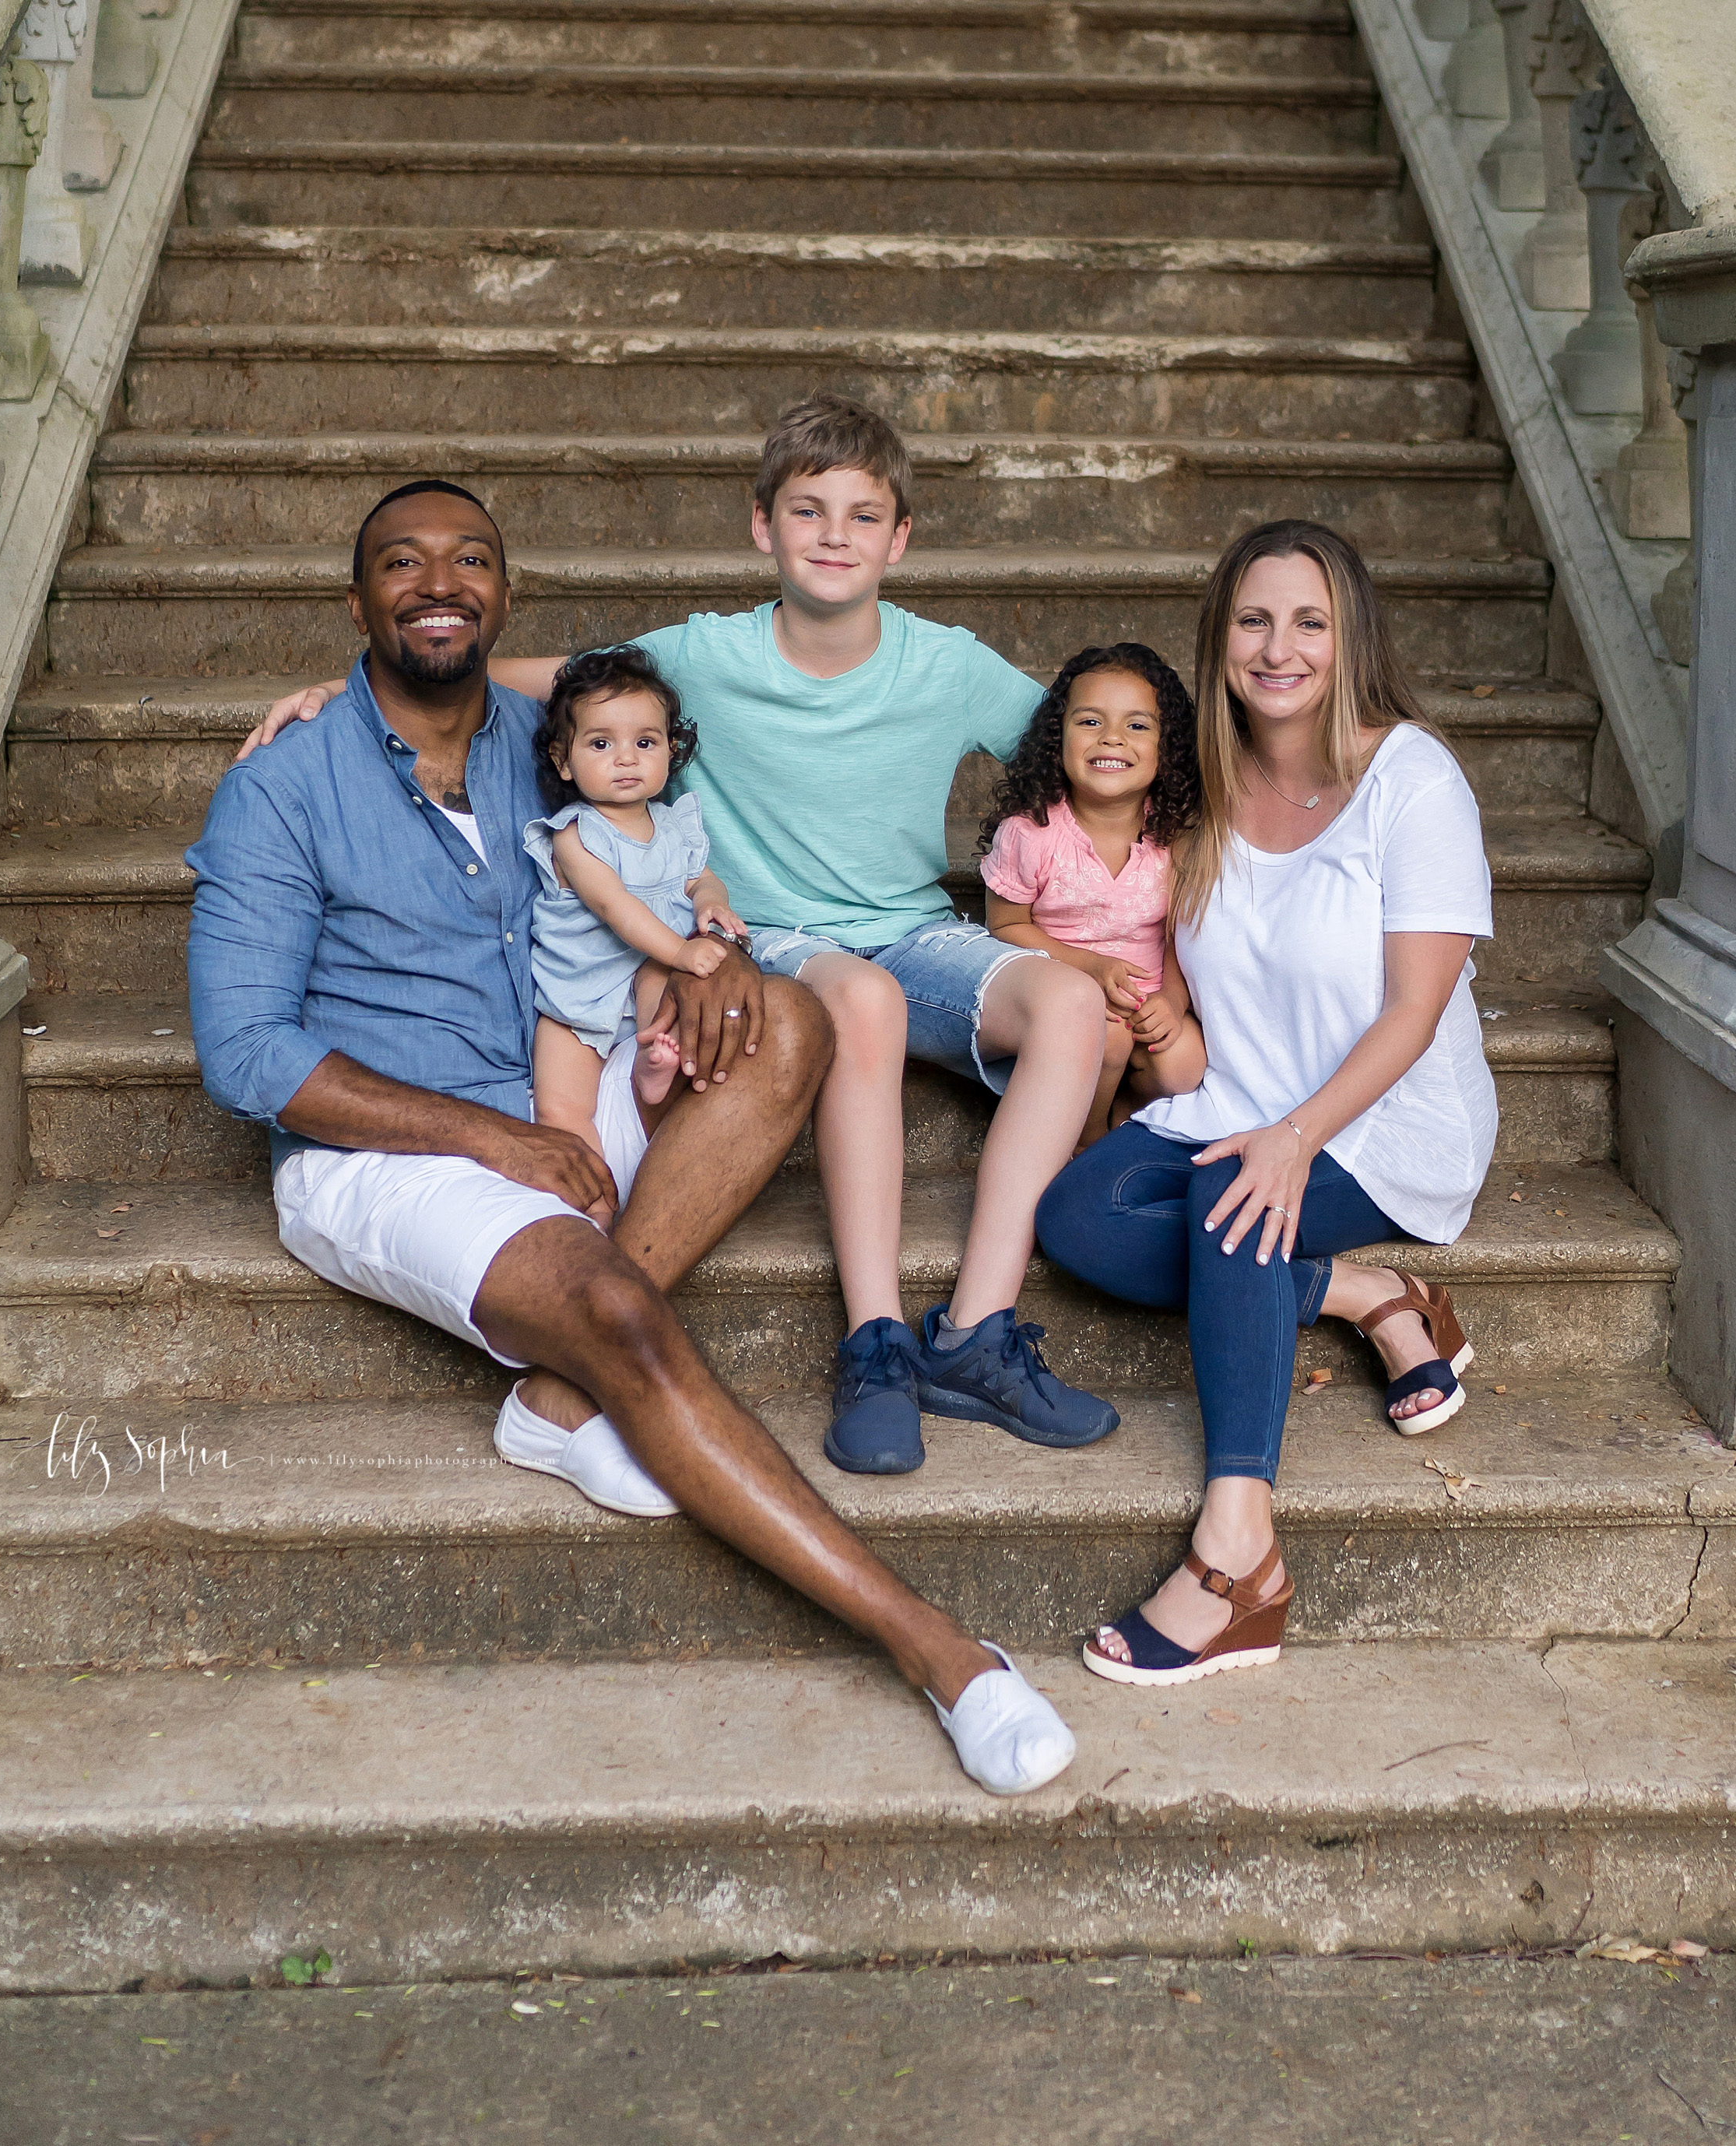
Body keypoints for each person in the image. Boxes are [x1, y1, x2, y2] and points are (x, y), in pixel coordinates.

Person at [190, 477, 1077, 1796]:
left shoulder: (555, 731)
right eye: (402, 561)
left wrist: (712, 947)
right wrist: (489, 1137)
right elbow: (247, 1054)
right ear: (358, 593)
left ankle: (552, 1393)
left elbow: (686, 842)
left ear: (507, 590)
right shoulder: (284, 784)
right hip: (381, 1140)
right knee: (623, 1314)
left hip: (568, 1071)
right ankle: (942, 1648)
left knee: (787, 1012)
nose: (440, 582)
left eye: (470, 558)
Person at [241, 398, 1120, 1484]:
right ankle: (876, 1339)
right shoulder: (703, 654)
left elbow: (1099, 746)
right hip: (780, 940)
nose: (835, 535)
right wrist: (349, 689)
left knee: (1076, 1005)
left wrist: (1083, 924)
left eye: (862, 516)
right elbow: (542, 682)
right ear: (764, 527)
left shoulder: (949, 665)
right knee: (862, 1003)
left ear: (900, 539)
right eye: (808, 510)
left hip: (912, 931)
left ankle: (978, 1331)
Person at [1035, 518, 1495, 1689]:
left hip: (1384, 1117)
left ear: (1349, 640)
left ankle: (1241, 1555)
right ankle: (1368, 1292)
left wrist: (1295, 1141)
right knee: (1078, 1218)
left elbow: (1413, 1011)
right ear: (1219, 637)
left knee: (1232, 1197)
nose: (1277, 647)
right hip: (1236, 1100)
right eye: (1252, 619)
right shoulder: (1195, 789)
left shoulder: (1414, 782)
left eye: (1308, 621)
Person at [979, 644, 1207, 1152]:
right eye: (1090, 721)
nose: (1112, 738)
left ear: (1166, 748)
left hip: (1146, 996)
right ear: (1055, 738)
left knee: (1186, 1061)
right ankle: (1085, 1136)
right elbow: (1005, 926)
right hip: (1065, 995)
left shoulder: (1174, 838)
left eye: (1138, 726)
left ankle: (1122, 1115)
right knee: (1110, 1036)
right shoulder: (1031, 833)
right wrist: (1091, 967)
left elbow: (1179, 934)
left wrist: (1172, 999)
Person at [525, 641, 746, 1161]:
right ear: (563, 760)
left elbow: (701, 878)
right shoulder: (576, 833)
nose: (626, 758)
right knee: (560, 1106)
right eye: (601, 744)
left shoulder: (674, 824)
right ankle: (590, 1193)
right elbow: (614, 907)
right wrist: (684, 950)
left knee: (667, 991)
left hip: (649, 969)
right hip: (576, 995)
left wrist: (710, 904)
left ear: (671, 749)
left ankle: (654, 1060)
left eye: (645, 741)